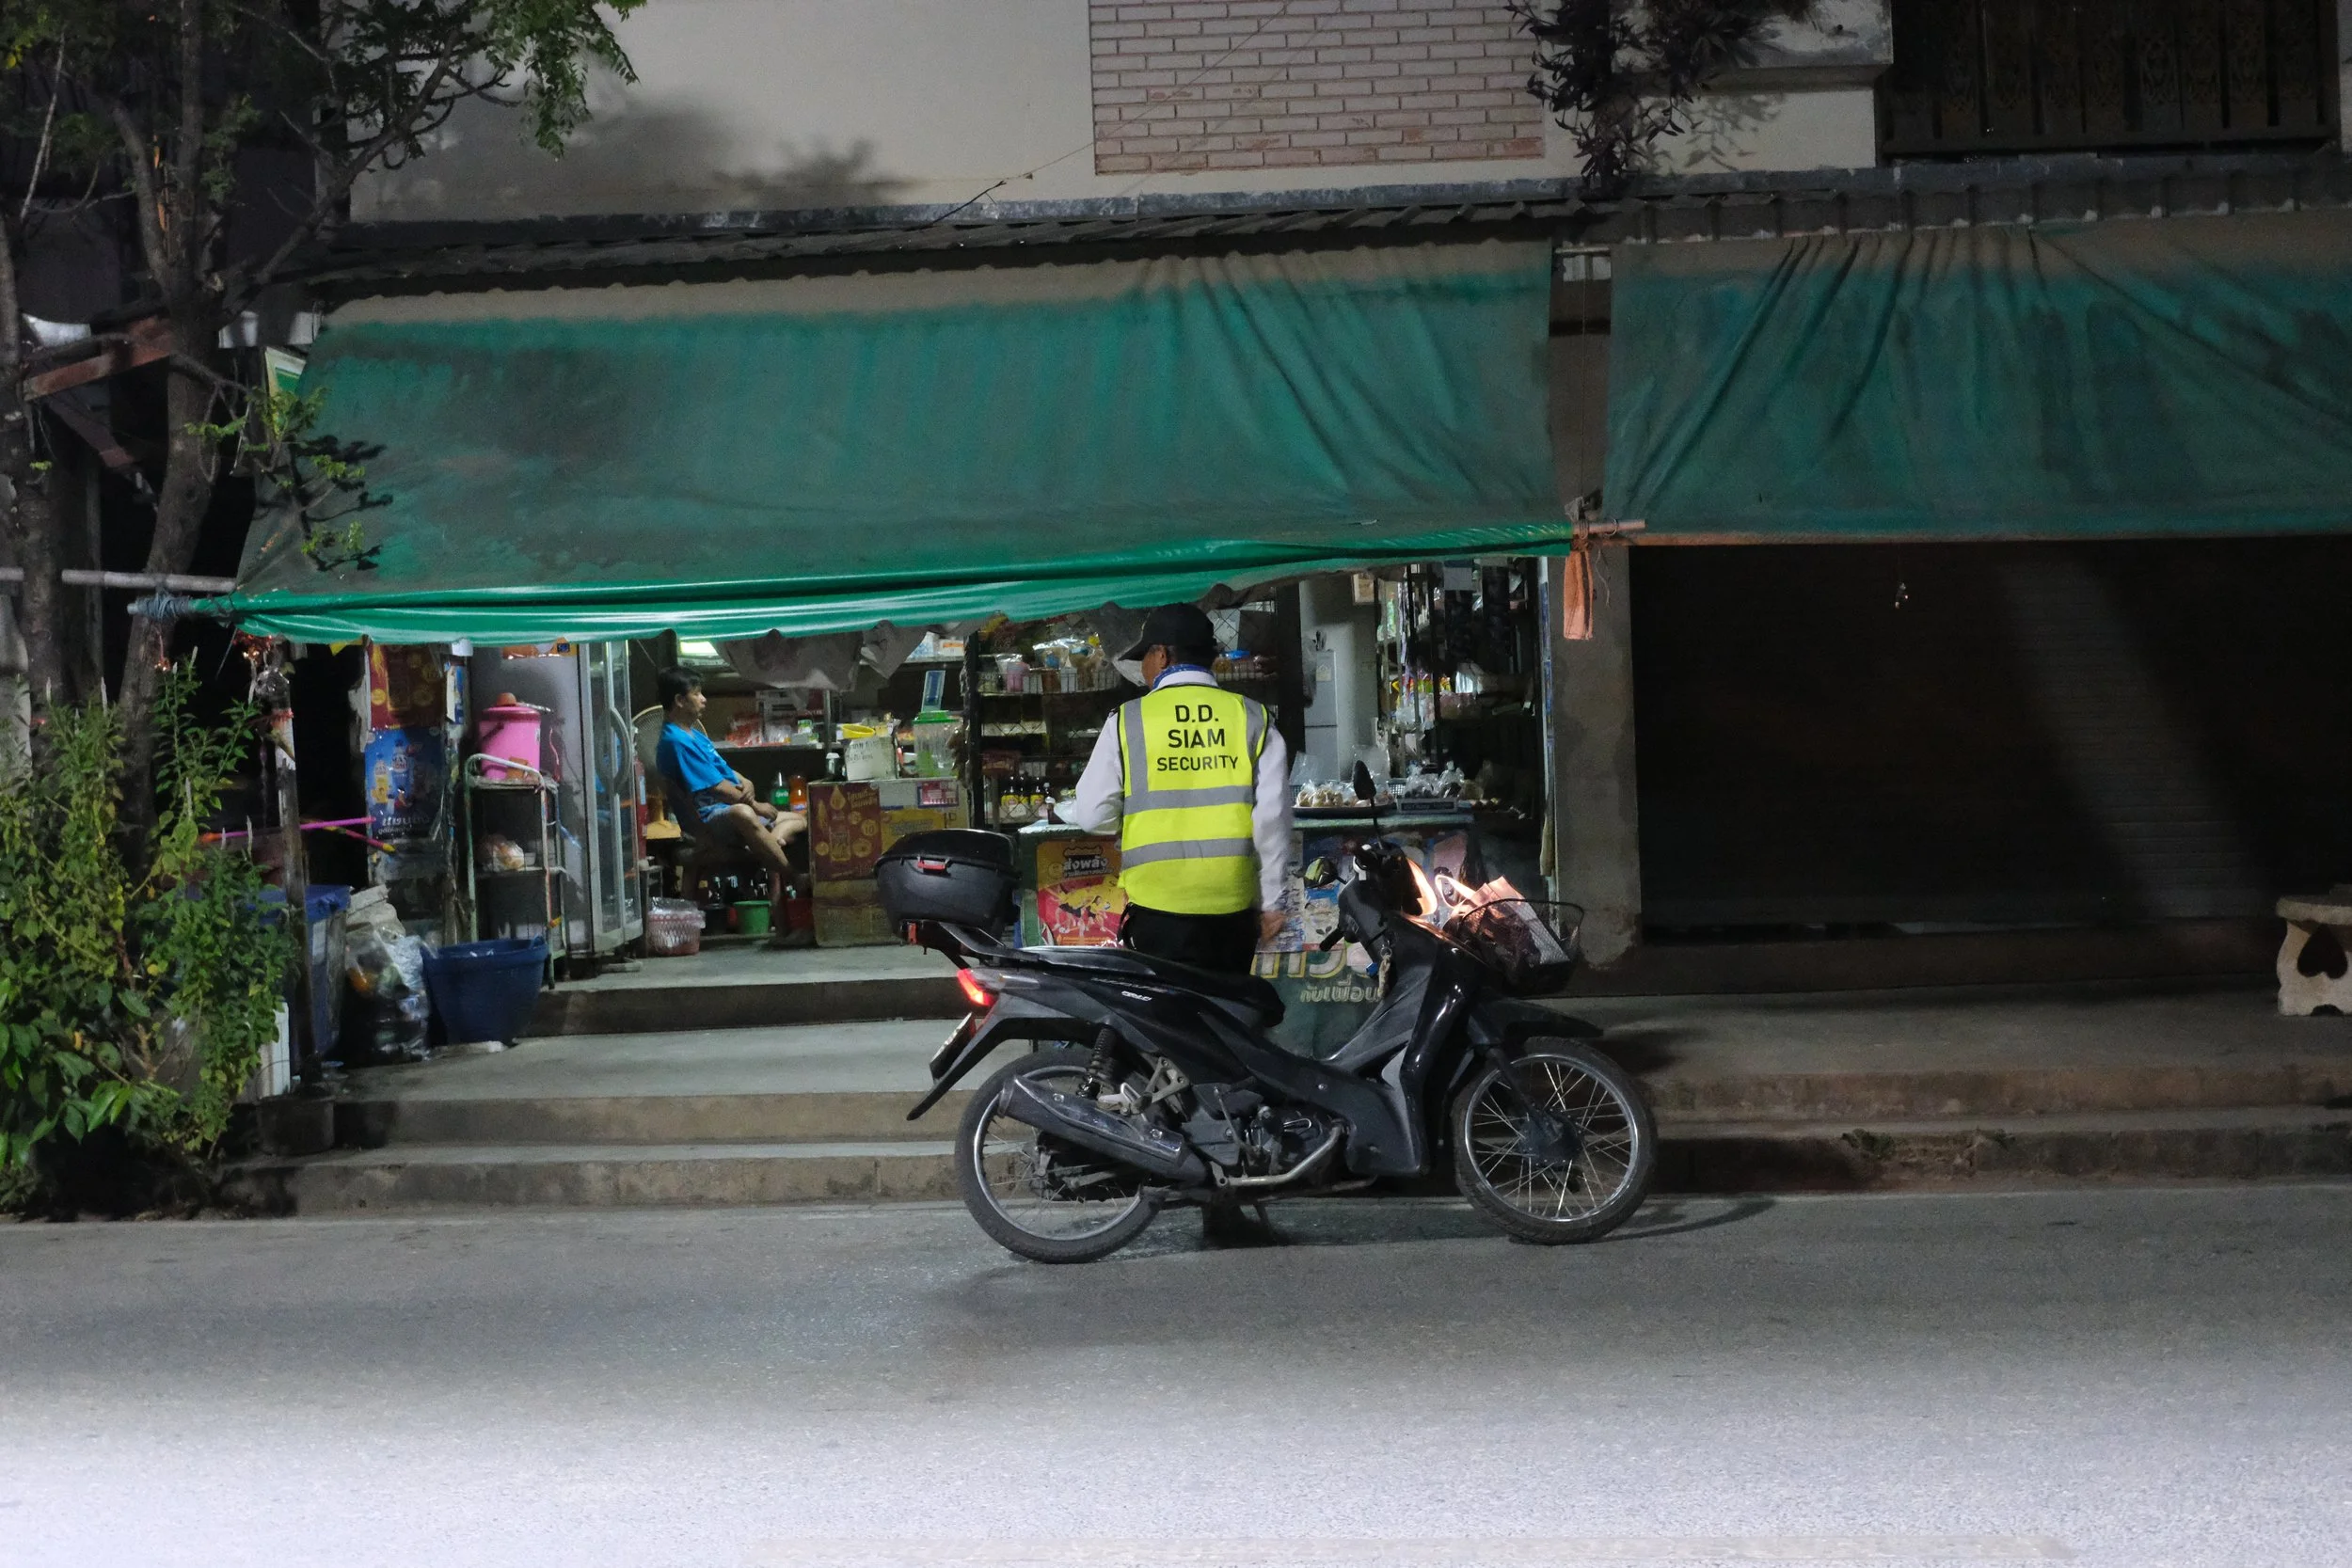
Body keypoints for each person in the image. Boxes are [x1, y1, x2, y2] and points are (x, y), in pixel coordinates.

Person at [1064, 604, 1294, 975]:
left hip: (1157, 908)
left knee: (1165, 1024)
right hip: (1232, 907)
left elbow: (1093, 815)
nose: (1143, 669)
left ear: (1163, 654)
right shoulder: (1252, 716)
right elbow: (1273, 817)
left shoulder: (1128, 720)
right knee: (1224, 1018)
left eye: (1145, 658)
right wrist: (1272, 901)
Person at [653, 667, 807, 900]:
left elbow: (724, 770)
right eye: (697, 694)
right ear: (679, 701)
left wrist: (746, 781)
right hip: (705, 822)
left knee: (800, 818)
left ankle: (771, 842)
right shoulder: (675, 741)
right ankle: (794, 876)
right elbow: (717, 788)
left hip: (724, 812)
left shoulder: (695, 734)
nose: (704, 700)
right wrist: (757, 806)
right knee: (743, 813)